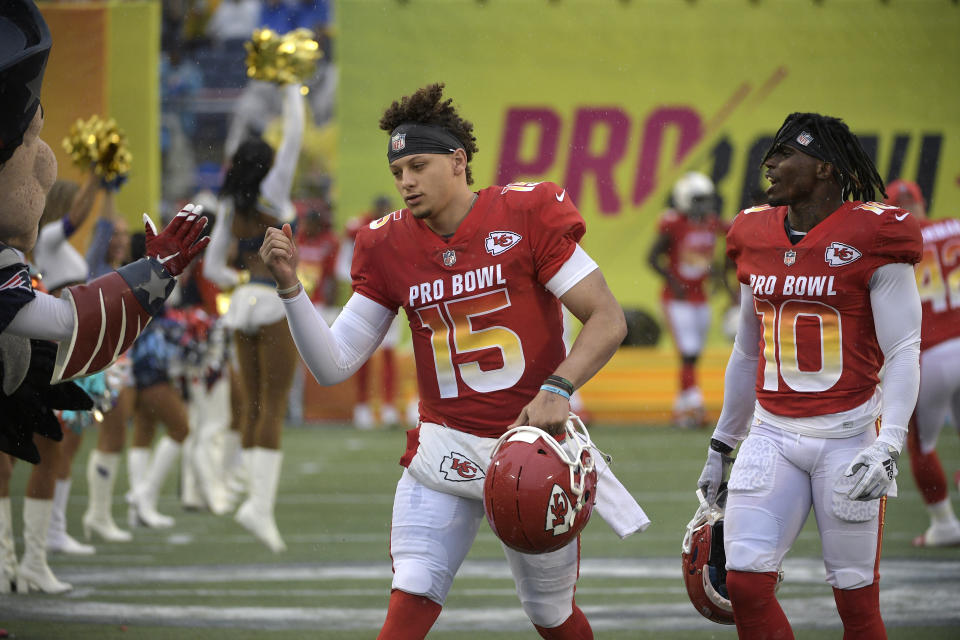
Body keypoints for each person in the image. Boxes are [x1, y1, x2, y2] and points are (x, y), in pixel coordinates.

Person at [261, 83, 643, 640]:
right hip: (445, 447)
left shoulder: (526, 213)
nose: (406, 182)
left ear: (458, 160)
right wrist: (291, 288)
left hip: (531, 446)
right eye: (397, 172)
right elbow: (334, 364)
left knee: (550, 613)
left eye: (418, 165)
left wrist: (558, 388)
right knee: (412, 590)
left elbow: (608, 317)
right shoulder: (387, 245)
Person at [0, 0, 209, 592]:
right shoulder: (54, 239)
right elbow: (62, 322)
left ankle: (24, 559)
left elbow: (58, 326)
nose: (36, 161)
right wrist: (153, 274)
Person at [697, 112, 923, 639]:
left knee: (856, 602)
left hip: (848, 438)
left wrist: (887, 442)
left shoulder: (874, 233)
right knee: (746, 585)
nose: (769, 164)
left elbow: (904, 348)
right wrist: (721, 443)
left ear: (824, 168)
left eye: (784, 154)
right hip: (771, 433)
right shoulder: (753, 232)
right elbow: (747, 351)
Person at [203, 79, 306, 552]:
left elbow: (211, 268)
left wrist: (238, 282)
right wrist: (291, 90)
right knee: (275, 407)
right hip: (273, 304)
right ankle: (259, 507)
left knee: (254, 405)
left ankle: (245, 487)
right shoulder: (273, 191)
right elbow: (296, 139)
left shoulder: (232, 207)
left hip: (242, 308)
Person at [884, 180, 960, 547]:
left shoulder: (896, 245)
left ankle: (944, 523)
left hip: (929, 352)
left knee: (921, 444)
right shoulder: (954, 226)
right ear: (922, 200)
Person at [648, 171, 730, 428]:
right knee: (689, 353)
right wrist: (674, 281)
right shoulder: (673, 223)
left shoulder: (711, 222)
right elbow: (652, 257)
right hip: (677, 298)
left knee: (694, 355)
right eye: (698, 199)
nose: (703, 205)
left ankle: (682, 407)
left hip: (700, 296)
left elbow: (731, 241)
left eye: (705, 199)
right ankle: (693, 403)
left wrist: (723, 282)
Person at [335, 195, 402, 429]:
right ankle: (362, 406)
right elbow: (342, 267)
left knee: (389, 354)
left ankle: (388, 406)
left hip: (392, 296)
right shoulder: (358, 229)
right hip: (366, 298)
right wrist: (366, 282)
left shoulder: (399, 227)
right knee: (361, 353)